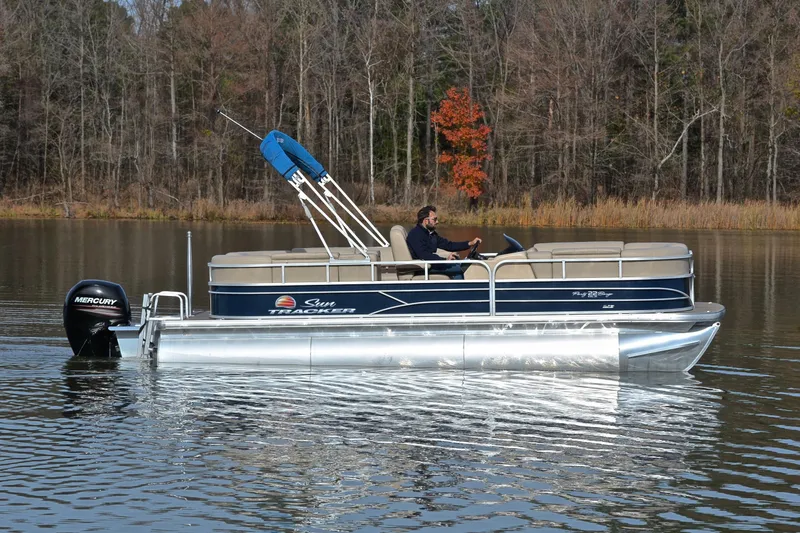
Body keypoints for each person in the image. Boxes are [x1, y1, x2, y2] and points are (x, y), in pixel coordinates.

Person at [406, 205, 481, 280]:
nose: (437, 222)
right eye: (434, 219)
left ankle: (457, 290)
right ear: (426, 221)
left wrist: (470, 243)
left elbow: (449, 245)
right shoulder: (415, 234)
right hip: (422, 268)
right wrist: (445, 260)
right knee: (461, 268)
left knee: (459, 268)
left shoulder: (431, 234)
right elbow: (424, 255)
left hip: (431, 264)